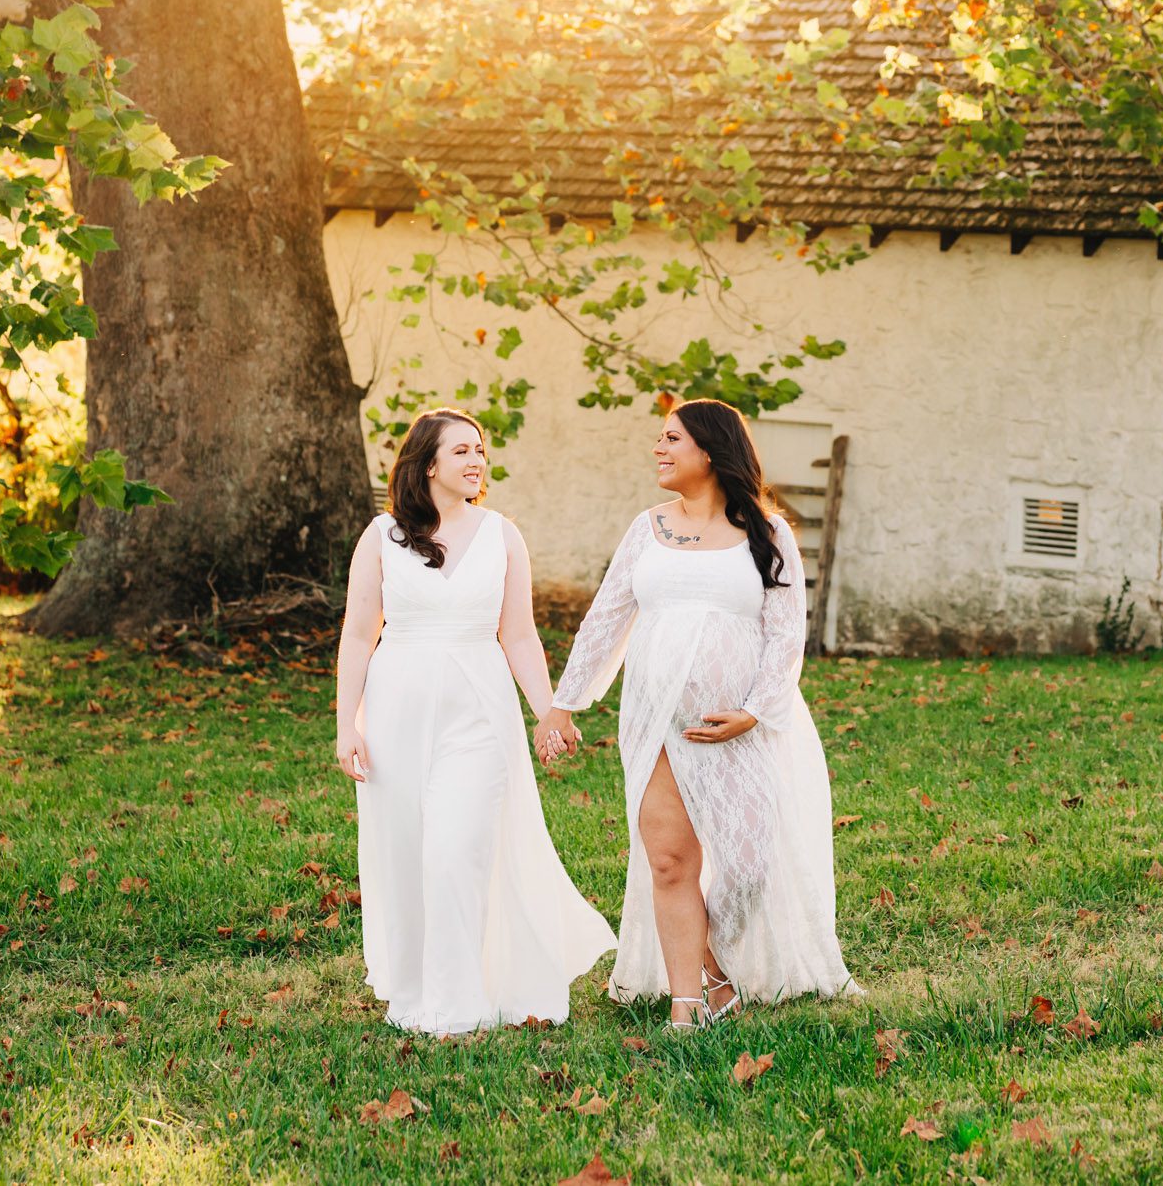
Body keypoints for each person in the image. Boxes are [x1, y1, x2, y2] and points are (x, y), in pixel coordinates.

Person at [536, 399, 854, 1027]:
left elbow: (787, 635)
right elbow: (606, 620)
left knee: (749, 864)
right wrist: (562, 706)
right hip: (656, 721)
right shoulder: (647, 529)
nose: (659, 449)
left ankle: (718, 969)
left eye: (671, 439)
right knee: (668, 860)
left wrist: (756, 712)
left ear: (709, 450)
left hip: (738, 725)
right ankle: (690, 999)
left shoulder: (768, 533)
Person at [333, 408, 615, 1036]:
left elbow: (518, 634)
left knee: (457, 851)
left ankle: (460, 1005)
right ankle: (414, 992)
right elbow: (357, 633)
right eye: (461, 450)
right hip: (396, 708)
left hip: (478, 709)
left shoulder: (501, 535)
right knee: (406, 855)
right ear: (427, 463)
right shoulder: (381, 536)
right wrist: (347, 724)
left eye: (480, 450)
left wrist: (548, 710)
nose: (475, 460)